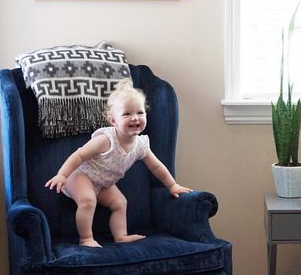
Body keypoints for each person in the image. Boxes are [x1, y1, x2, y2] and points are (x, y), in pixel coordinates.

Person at [45, 79, 192, 247]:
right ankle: (86, 238)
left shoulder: (141, 145)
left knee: (120, 203)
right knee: (87, 200)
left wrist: (172, 185)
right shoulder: (105, 139)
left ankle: (121, 236)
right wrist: (62, 175)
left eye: (140, 112)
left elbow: (156, 166)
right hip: (80, 176)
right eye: (127, 114)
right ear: (113, 121)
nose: (135, 118)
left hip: (104, 183)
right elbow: (79, 156)